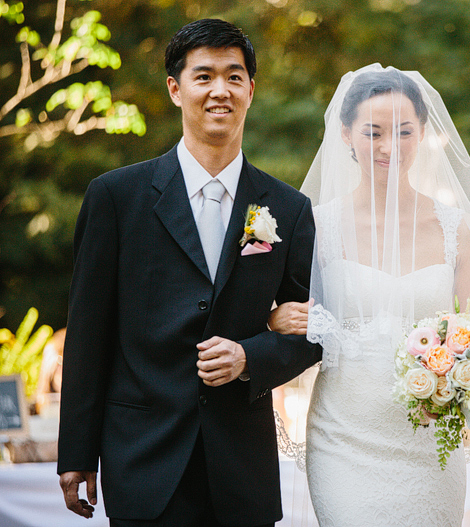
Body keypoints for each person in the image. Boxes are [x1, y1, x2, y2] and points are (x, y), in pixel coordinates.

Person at [57, 19, 322, 527]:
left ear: (250, 89)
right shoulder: (116, 198)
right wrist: (76, 453)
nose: (219, 90)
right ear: (176, 89)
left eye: (234, 76)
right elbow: (88, 332)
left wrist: (250, 355)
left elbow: (315, 330)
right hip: (142, 461)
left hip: (242, 473)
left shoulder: (288, 209)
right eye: (204, 76)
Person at [268, 64, 470, 526]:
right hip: (343, 437)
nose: (388, 147)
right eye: (373, 132)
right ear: (345, 134)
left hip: (429, 444)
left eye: (402, 132)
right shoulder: (316, 226)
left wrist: (463, 374)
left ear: (422, 134)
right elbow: (283, 316)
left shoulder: (459, 231)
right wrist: (277, 320)